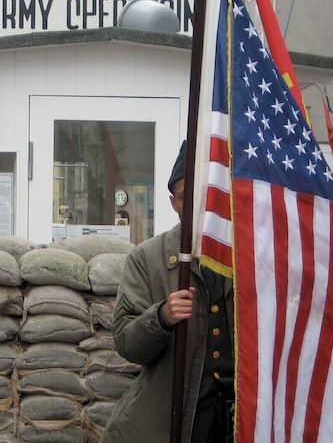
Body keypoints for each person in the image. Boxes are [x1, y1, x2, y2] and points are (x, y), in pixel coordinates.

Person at [101, 143, 234, 442]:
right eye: (187, 199)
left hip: (237, 421)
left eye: (205, 197)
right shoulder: (148, 258)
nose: (198, 206)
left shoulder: (248, 258)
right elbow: (127, 343)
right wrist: (161, 317)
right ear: (174, 203)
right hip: (174, 419)